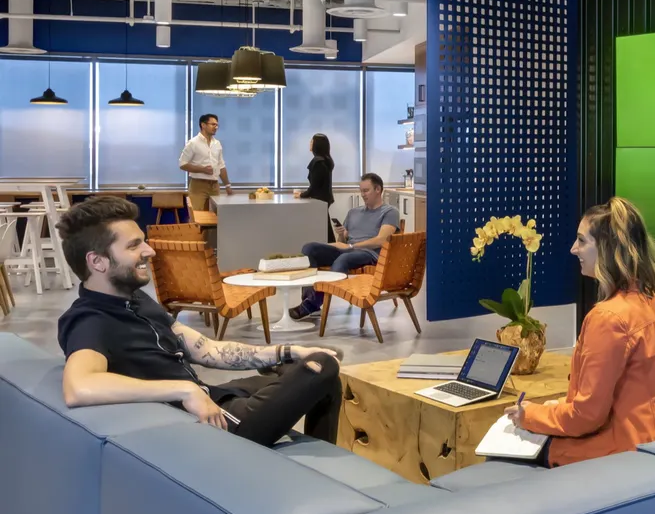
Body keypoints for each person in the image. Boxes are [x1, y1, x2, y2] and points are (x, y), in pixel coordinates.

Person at [56, 196, 343, 447]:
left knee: (315, 366)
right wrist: (183, 389)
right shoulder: (89, 319)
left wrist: (288, 352)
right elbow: (79, 387)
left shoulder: (136, 300)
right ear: (98, 261)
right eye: (134, 245)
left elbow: (206, 349)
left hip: (212, 398)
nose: (149, 251)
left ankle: (319, 463)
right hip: (203, 425)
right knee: (322, 368)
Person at [505, 197, 655, 467]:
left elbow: (586, 417)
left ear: (607, 249)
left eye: (582, 241)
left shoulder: (608, 318)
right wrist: (556, 407)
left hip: (623, 451)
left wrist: (530, 416)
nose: (573, 249)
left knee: (508, 446)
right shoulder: (652, 301)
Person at [290, 173, 400, 320]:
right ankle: (309, 300)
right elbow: (342, 240)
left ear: (378, 189)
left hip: (370, 254)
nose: (363, 194)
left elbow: (381, 240)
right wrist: (342, 235)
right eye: (361, 191)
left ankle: (310, 305)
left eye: (366, 190)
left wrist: (350, 246)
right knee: (309, 249)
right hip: (348, 249)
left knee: (343, 259)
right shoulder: (353, 212)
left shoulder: (390, 212)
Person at [179, 113, 233, 211]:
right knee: (197, 214)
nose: (216, 127)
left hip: (215, 185)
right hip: (198, 185)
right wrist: (203, 169)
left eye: (217, 125)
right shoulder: (193, 143)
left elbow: (221, 166)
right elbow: (182, 164)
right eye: (213, 124)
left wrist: (227, 185)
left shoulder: (217, 144)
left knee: (216, 215)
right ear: (203, 125)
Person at [294, 133, 335, 242]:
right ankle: (331, 245)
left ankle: (331, 246)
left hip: (320, 200)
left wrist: (302, 195)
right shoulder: (324, 160)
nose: (310, 144)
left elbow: (314, 187)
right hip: (324, 198)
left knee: (323, 228)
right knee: (325, 226)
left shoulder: (318, 162)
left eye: (312, 142)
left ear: (317, 145)